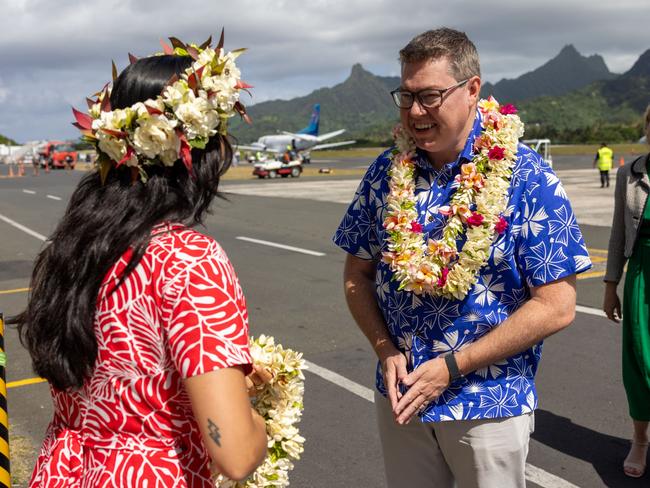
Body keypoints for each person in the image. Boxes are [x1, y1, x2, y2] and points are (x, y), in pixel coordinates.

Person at [333, 27, 592, 488]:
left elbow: (557, 304)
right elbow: (357, 272)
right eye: (406, 96)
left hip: (488, 403)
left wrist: (454, 366)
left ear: (472, 89)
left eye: (430, 95)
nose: (415, 112)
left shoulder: (526, 176)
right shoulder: (385, 172)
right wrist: (383, 348)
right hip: (402, 396)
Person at [10, 37, 268, 487]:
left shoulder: (73, 247)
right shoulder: (188, 258)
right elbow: (236, 453)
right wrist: (260, 423)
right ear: (202, 147)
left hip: (63, 471)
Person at [603, 105, 650, 478]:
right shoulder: (629, 174)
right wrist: (609, 286)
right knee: (638, 360)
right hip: (641, 276)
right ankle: (640, 439)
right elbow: (619, 235)